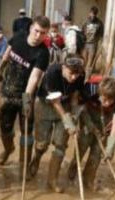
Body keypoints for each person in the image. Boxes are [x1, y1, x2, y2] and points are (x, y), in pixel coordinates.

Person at [0, 16, 51, 174]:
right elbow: (7, 53)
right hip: (7, 92)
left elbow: (34, 78)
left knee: (26, 130)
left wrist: (27, 102)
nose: (38, 36)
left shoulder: (43, 53)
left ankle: (23, 166)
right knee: (4, 129)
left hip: (25, 96)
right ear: (30, 28)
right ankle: (8, 149)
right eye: (36, 31)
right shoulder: (19, 37)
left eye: (43, 33)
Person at [29, 55, 85, 192]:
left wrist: (73, 117)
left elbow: (74, 96)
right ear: (64, 68)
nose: (74, 78)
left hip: (65, 106)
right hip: (45, 105)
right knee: (42, 143)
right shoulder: (52, 72)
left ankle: (52, 179)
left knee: (61, 145)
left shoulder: (80, 75)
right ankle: (36, 158)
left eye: (77, 74)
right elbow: (55, 101)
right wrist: (67, 120)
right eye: (71, 73)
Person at [66, 76, 115, 190]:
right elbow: (79, 108)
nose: (107, 103)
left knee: (98, 151)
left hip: (107, 117)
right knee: (83, 143)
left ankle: (88, 179)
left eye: (110, 100)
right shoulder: (90, 88)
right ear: (99, 93)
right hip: (88, 112)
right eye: (104, 99)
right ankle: (74, 166)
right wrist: (89, 124)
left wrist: (110, 148)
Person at [82, 6, 104, 74]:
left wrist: (100, 44)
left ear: (96, 14)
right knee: (84, 60)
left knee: (90, 61)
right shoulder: (86, 22)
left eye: (94, 14)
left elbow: (101, 35)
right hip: (85, 43)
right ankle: (82, 74)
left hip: (93, 44)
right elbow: (82, 32)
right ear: (89, 13)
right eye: (92, 13)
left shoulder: (99, 23)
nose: (93, 15)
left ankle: (87, 75)